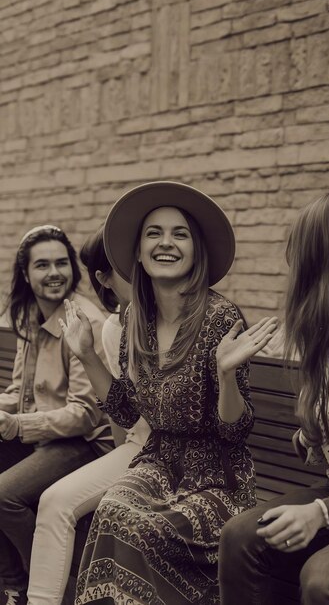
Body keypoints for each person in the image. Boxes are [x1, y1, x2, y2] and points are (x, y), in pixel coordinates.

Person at [60, 180, 278, 605]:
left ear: (196, 250)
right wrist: (86, 354)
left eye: (180, 234)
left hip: (218, 479)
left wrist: (226, 373)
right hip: (159, 464)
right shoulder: (135, 320)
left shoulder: (221, 318)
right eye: (153, 234)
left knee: (135, 525)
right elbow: (125, 411)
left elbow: (235, 433)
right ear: (138, 252)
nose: (166, 243)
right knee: (112, 511)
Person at [219, 190, 329, 605]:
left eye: (296, 255)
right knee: (240, 535)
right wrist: (313, 434)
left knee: (322, 578)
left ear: (321, 262)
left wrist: (323, 512)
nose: (289, 268)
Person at [26, 227, 151, 605]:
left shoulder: (183, 318)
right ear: (104, 279)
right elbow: (122, 414)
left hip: (184, 454)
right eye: (123, 267)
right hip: (138, 446)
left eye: (136, 262)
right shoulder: (113, 328)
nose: (138, 272)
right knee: (54, 500)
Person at [0, 225, 114, 605]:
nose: (54, 273)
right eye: (42, 265)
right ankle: (12, 583)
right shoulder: (29, 316)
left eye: (62, 263)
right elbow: (21, 390)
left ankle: (45, 588)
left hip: (84, 444)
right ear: (26, 273)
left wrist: (17, 425)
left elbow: (86, 414)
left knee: (3, 495)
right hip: (45, 436)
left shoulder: (86, 321)